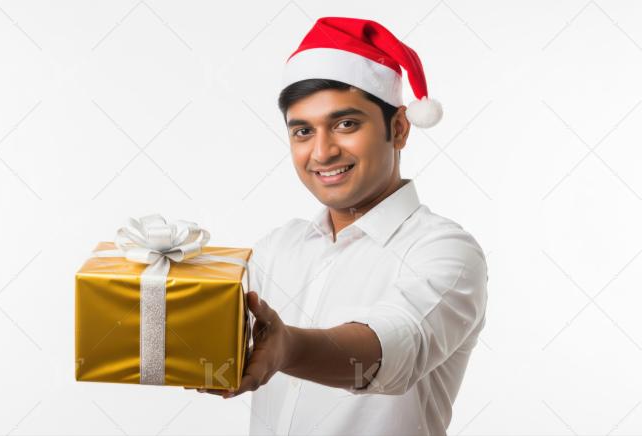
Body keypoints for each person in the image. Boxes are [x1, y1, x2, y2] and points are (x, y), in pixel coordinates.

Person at [192, 16, 488, 435]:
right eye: (302, 131)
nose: (322, 152)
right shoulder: (278, 247)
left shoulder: (446, 251)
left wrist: (288, 347)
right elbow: (205, 320)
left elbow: (394, 346)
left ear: (399, 128)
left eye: (346, 124)